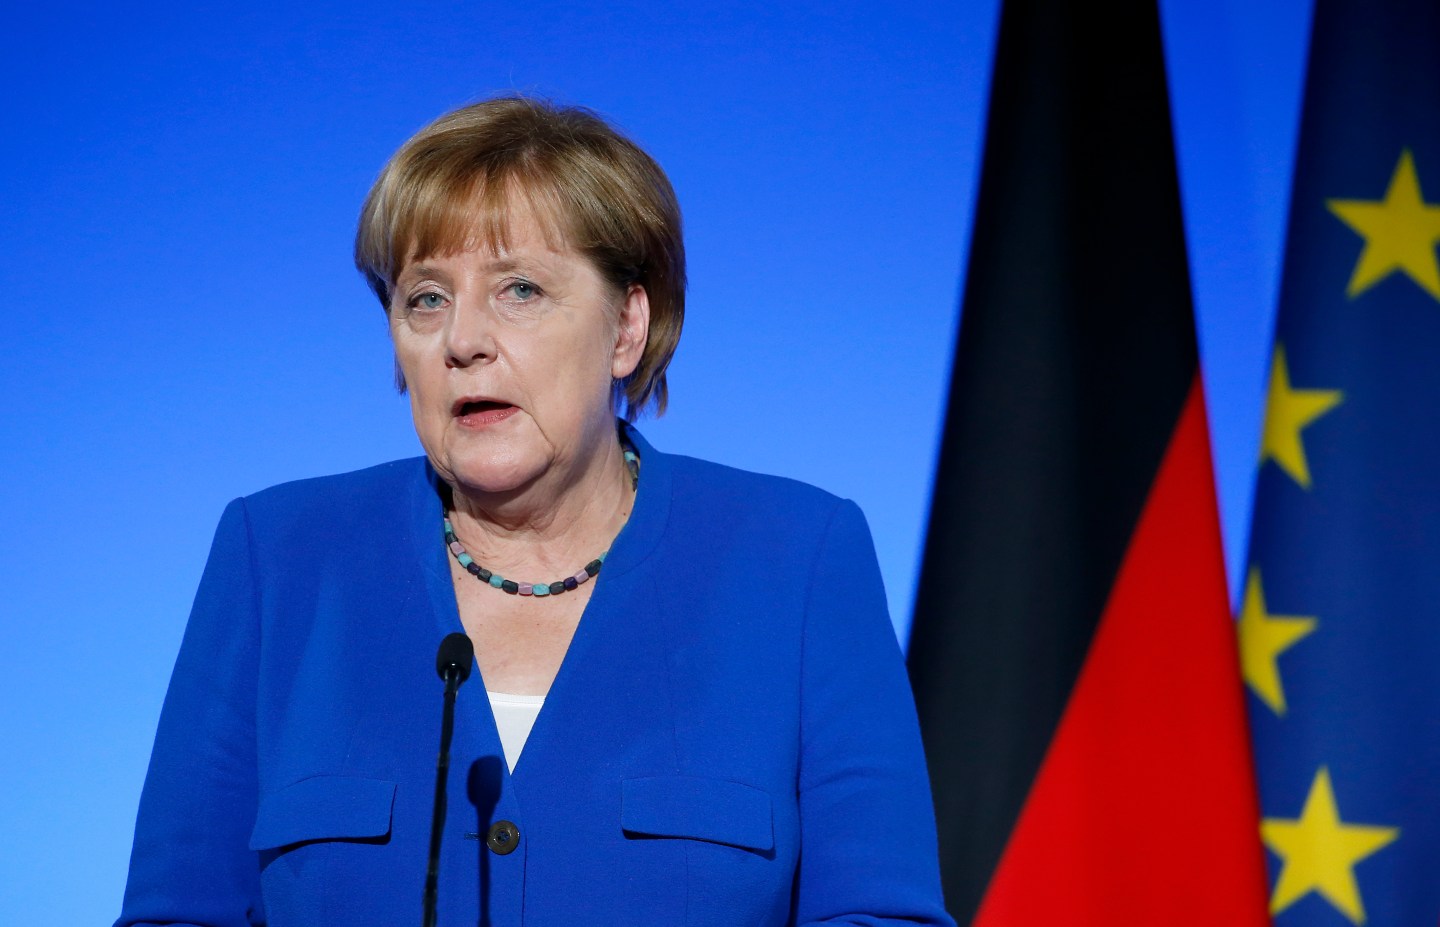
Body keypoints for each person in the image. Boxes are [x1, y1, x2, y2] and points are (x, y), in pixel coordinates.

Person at [115, 96, 952, 927]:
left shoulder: (798, 561)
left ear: (627, 327)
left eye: (519, 289)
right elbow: (176, 914)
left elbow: (880, 914)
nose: (463, 339)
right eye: (426, 298)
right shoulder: (280, 560)